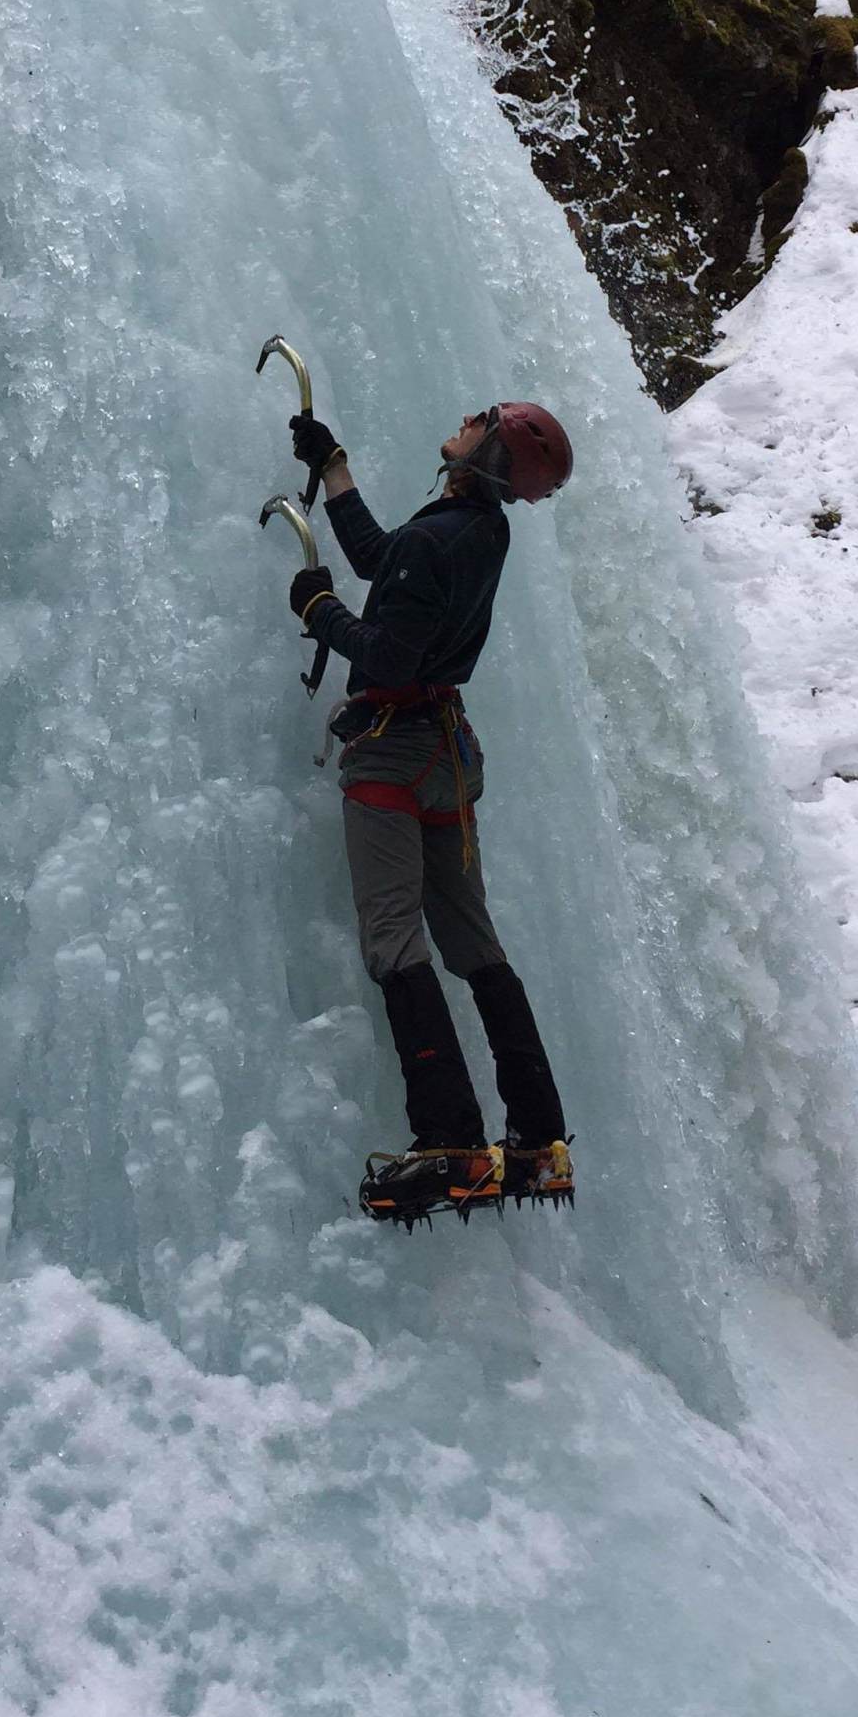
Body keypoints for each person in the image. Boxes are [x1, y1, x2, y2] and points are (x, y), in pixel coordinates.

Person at [287, 401, 574, 1214]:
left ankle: (449, 1141)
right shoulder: (478, 526)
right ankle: (538, 1144)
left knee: (393, 938)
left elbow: (382, 649)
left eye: (480, 419)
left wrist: (318, 611)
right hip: (447, 755)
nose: (462, 419)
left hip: (391, 752)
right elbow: (388, 561)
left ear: (486, 451)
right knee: (472, 940)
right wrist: (335, 471)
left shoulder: (439, 536)